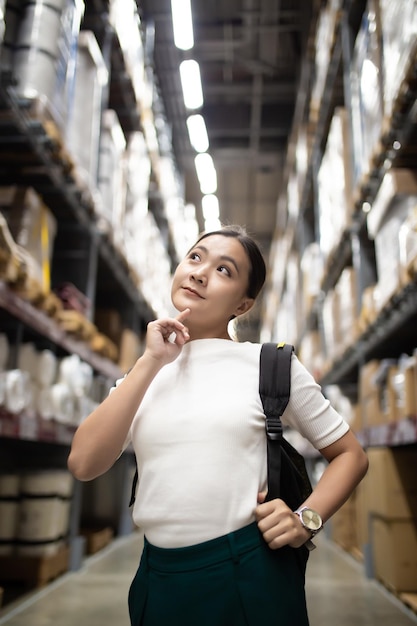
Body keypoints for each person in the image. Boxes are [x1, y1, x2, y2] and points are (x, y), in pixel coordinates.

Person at [68, 225, 368, 626]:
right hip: (157, 577)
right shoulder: (146, 374)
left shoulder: (269, 366)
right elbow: (84, 463)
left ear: (243, 306)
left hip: (247, 571)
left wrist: (306, 519)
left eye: (224, 270)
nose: (199, 272)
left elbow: (350, 455)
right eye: (195, 257)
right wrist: (150, 362)